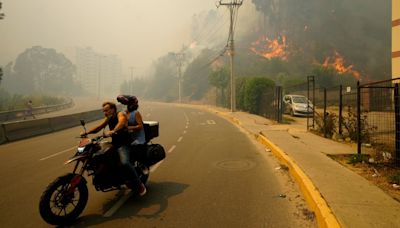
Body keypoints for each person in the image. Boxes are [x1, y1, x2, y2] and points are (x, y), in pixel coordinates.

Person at [80, 101, 146, 196]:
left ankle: (139, 184)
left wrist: (113, 131)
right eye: (103, 111)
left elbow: (122, 123)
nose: (105, 113)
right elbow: (99, 127)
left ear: (113, 109)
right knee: (98, 156)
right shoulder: (109, 118)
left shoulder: (120, 114)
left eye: (106, 110)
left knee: (125, 163)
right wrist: (87, 133)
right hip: (114, 144)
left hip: (124, 144)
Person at [117, 95, 148, 173]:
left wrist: (128, 128)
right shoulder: (124, 113)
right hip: (129, 137)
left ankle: (141, 167)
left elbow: (140, 126)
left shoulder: (136, 113)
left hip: (138, 138)